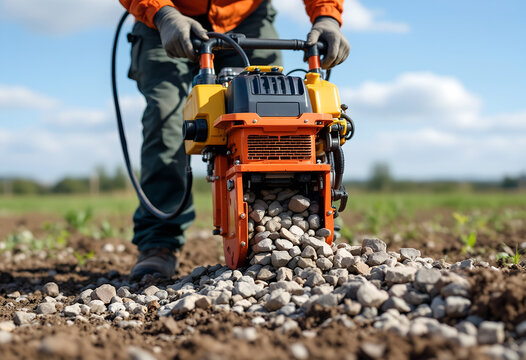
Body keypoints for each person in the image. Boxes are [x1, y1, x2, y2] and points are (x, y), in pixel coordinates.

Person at [118, 0, 350, 280]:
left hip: (248, 16)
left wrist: (327, 16)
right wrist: (162, 14)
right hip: (165, 19)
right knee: (165, 121)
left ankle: (300, 232)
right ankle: (158, 243)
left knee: (279, 122)